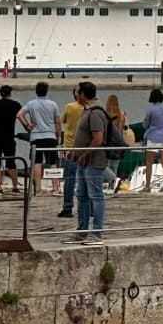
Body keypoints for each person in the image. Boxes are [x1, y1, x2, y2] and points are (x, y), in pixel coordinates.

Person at [69, 81, 111, 242]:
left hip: (93, 162)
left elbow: (98, 139)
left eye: (77, 93)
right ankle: (82, 229)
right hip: (83, 161)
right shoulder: (86, 111)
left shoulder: (95, 113)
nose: (75, 96)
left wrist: (84, 154)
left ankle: (97, 232)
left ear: (82, 94)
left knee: (95, 195)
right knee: (82, 195)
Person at [20, 81, 60, 198]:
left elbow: (19, 114)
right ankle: (55, 187)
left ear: (36, 91)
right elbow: (57, 121)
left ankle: (38, 189)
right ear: (47, 91)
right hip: (50, 135)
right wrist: (58, 135)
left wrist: (27, 125)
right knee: (53, 162)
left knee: (37, 162)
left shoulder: (31, 104)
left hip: (36, 136)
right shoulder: (53, 104)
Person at [57, 82, 89, 219]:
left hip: (70, 146)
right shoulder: (90, 108)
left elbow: (62, 121)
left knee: (69, 178)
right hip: (86, 146)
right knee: (88, 178)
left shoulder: (70, 107)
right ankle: (90, 208)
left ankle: (67, 207)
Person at [140, 88, 163, 193]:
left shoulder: (150, 110)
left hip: (153, 138)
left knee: (149, 162)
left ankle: (147, 186)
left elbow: (145, 124)